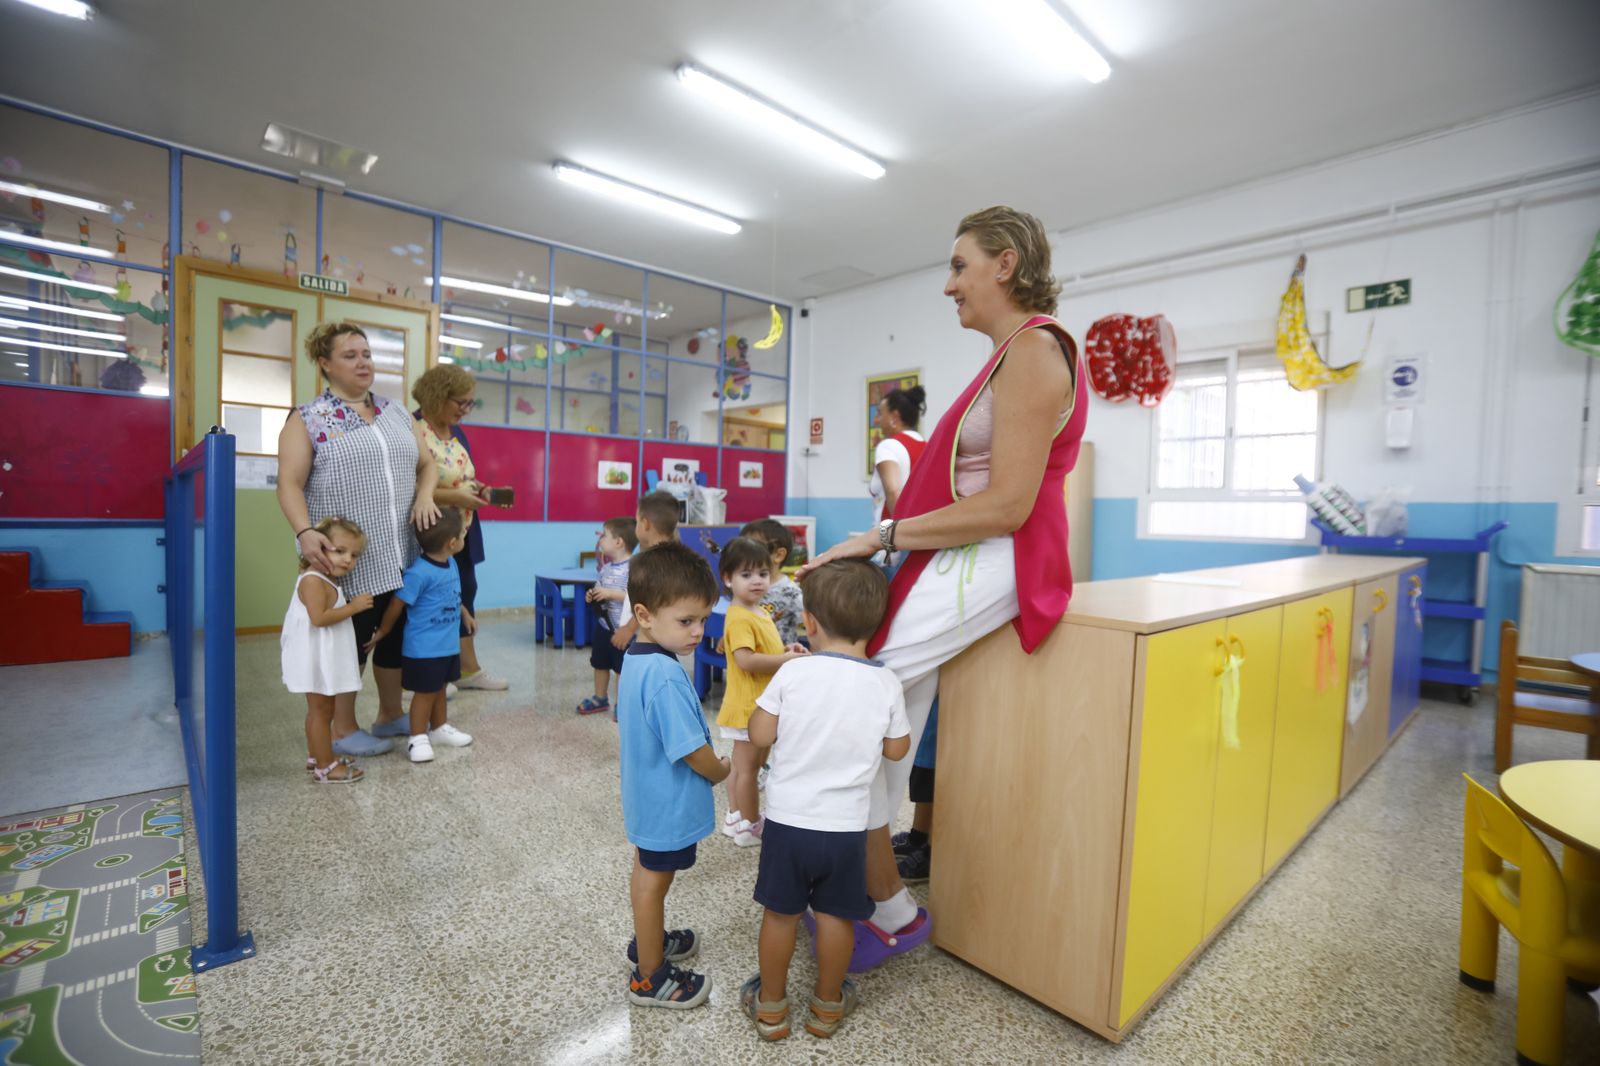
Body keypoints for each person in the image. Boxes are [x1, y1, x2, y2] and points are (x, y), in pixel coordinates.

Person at [798, 206, 1088, 971]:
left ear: (1006, 263)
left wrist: (884, 534)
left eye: (961, 266)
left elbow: (1008, 506)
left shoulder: (1034, 353)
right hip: (965, 556)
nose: (949, 285)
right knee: (887, 714)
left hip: (993, 555)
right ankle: (883, 906)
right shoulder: (1011, 355)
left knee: (858, 710)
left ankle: (880, 910)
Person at [740, 560, 911, 1040]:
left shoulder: (794, 673)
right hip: (845, 830)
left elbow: (759, 733)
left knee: (780, 916)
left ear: (809, 622)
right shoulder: (885, 681)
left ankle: (771, 1008)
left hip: (790, 825)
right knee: (837, 917)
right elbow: (897, 749)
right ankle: (828, 1006)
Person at [276, 322, 441, 758]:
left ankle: (389, 714)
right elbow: (289, 483)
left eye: (366, 353)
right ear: (325, 363)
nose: (363, 362)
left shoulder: (396, 412)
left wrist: (425, 493)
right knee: (350, 643)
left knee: (392, 637)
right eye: (350, 355)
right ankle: (343, 729)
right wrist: (304, 531)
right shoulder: (307, 418)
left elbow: (427, 466)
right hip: (345, 556)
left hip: (400, 550)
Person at [617, 541, 731, 1009]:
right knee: (653, 881)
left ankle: (649, 940)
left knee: (648, 876)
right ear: (644, 615)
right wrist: (722, 771)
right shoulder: (664, 676)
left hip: (648, 797)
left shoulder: (641, 658)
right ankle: (651, 976)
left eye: (703, 619)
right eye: (686, 621)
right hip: (665, 803)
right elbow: (692, 751)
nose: (699, 631)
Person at [411, 364, 511, 692]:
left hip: (462, 530)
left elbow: (459, 473)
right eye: (461, 403)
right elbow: (409, 487)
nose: (466, 410)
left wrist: (474, 487)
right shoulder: (413, 428)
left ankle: (467, 669)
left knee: (464, 591)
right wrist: (454, 495)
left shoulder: (457, 431)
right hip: (430, 532)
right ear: (439, 396)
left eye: (471, 403)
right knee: (430, 598)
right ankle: (437, 672)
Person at [716, 537, 808, 847]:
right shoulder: (740, 616)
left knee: (744, 768)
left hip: (757, 707)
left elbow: (762, 650)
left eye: (762, 573)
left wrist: (785, 649)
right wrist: (786, 660)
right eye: (746, 575)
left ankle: (734, 816)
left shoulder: (757, 610)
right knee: (749, 771)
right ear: (727, 579)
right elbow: (745, 660)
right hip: (748, 709)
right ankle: (750, 826)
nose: (757, 581)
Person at [366, 507, 475, 764]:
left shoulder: (451, 564)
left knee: (439, 688)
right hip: (425, 648)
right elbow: (397, 604)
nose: (463, 538)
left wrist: (465, 614)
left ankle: (439, 729)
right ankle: (417, 738)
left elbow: (451, 594)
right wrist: (384, 629)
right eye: (462, 535)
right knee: (425, 693)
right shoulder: (419, 572)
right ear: (451, 542)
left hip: (447, 646)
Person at [281, 516, 372, 784]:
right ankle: (325, 767)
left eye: (354, 555)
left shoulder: (323, 578)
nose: (348, 560)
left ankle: (317, 754)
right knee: (321, 712)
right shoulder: (313, 580)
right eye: (340, 551)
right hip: (314, 658)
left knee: (319, 711)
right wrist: (353, 608)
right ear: (317, 547)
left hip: (320, 657)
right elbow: (319, 618)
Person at [605, 491, 680, 661]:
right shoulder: (669, 554)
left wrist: (629, 629)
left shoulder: (654, 562)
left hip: (648, 638)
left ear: (645, 524)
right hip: (651, 634)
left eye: (637, 520)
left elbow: (651, 602)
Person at [577, 517, 637, 715]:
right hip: (603, 626)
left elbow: (634, 597)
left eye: (604, 535)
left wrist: (611, 594)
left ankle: (622, 705)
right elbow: (599, 587)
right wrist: (592, 594)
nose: (600, 539)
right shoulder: (606, 568)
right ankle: (600, 697)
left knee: (621, 669)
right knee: (600, 663)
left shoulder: (633, 569)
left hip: (622, 629)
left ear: (619, 542)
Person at [738, 519, 805, 647]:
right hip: (749, 656)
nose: (743, 555)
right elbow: (740, 619)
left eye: (753, 548)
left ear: (778, 555)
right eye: (742, 548)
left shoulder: (790, 592)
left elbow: (813, 624)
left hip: (779, 661)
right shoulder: (744, 585)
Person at [871, 385, 928, 522]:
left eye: (880, 413)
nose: (876, 420)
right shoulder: (927, 447)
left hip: (892, 536)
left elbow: (893, 491)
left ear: (894, 417)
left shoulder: (887, 446)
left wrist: (904, 536)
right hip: (922, 532)